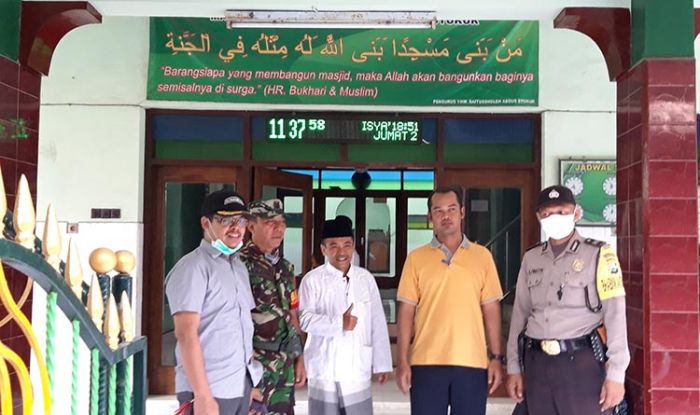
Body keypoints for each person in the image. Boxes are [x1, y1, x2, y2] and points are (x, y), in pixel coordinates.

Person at [505, 185, 629, 415]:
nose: (555, 217)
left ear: (576, 213)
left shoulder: (599, 254)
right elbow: (519, 315)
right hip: (537, 364)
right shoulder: (531, 258)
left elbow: (615, 314)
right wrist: (513, 366)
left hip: (581, 364)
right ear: (538, 217)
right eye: (547, 213)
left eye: (562, 211)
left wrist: (616, 374)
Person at [395, 187, 504, 415]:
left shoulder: (482, 256)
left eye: (452, 209)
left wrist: (496, 357)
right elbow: (406, 311)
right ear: (430, 217)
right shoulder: (416, 259)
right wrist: (403, 360)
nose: (446, 216)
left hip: (472, 362)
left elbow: (491, 309)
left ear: (462, 213)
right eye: (439, 210)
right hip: (426, 362)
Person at [165, 190, 263, 415]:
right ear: (206, 223)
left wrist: (247, 385)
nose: (236, 228)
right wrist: (203, 396)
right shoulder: (192, 268)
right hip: (210, 390)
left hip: (238, 386)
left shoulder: (238, 267)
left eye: (241, 220)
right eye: (226, 220)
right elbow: (186, 334)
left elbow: (240, 328)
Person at [298, 216, 392, 415]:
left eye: (347, 245)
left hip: (356, 368)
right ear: (323, 249)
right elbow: (304, 320)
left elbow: (377, 322)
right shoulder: (312, 280)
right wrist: (338, 323)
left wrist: (382, 363)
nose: (341, 252)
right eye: (334, 246)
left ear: (353, 247)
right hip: (324, 367)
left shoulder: (365, 279)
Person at [238, 199, 306, 415]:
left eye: (282, 222)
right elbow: (233, 320)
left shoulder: (286, 268)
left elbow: (292, 312)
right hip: (254, 366)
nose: (278, 228)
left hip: (284, 366)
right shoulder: (238, 264)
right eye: (270, 222)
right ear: (251, 226)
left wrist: (300, 357)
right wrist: (243, 379)